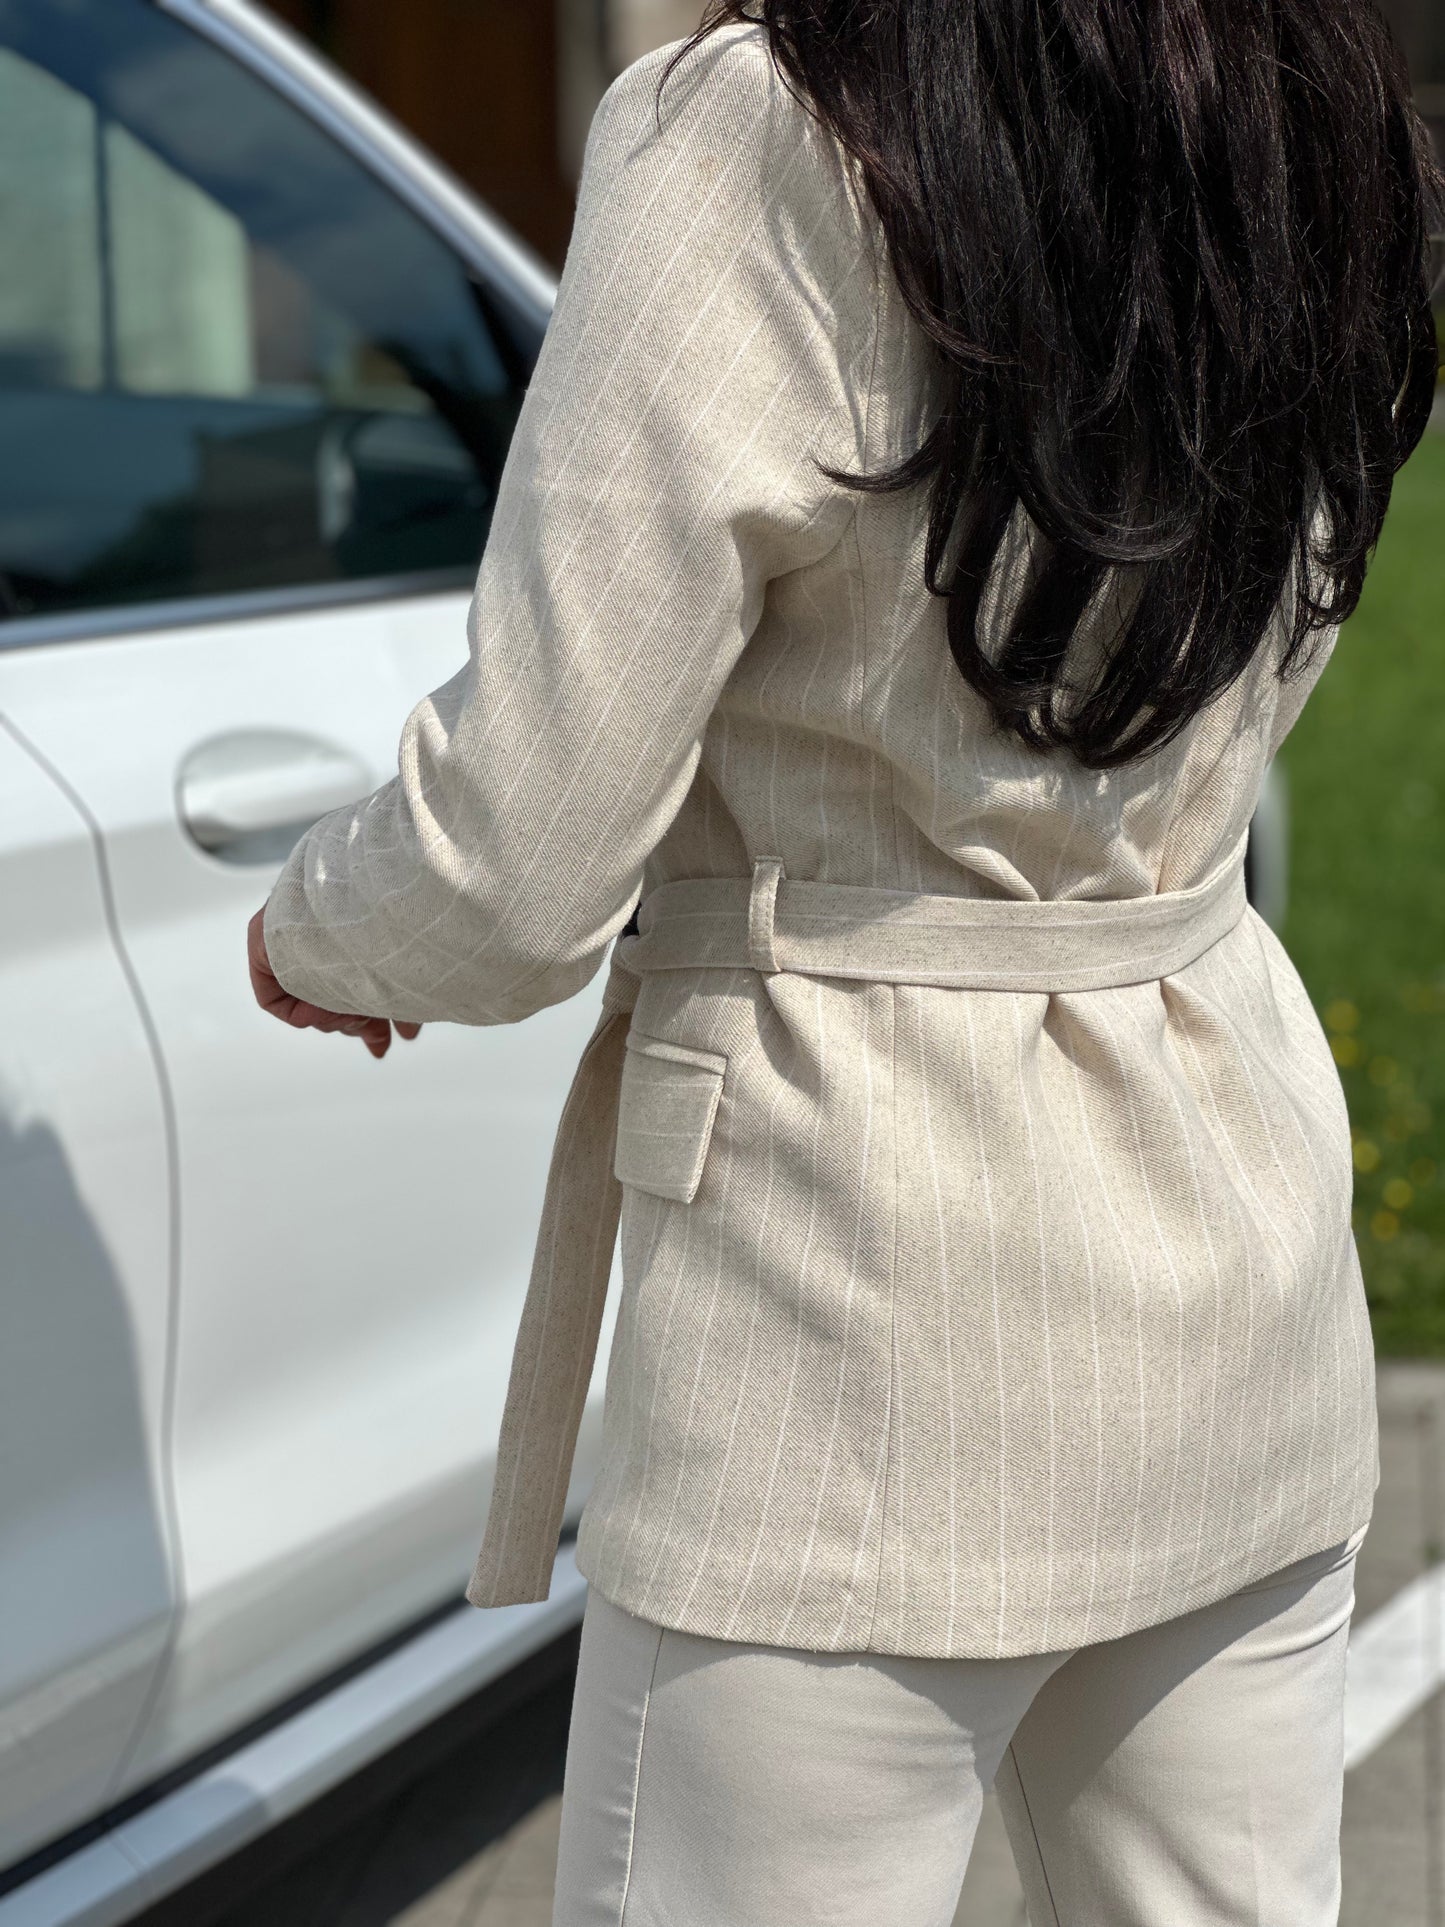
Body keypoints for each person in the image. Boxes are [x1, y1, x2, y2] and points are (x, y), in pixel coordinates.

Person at [248, 2, 1442, 1919]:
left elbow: (520, 845)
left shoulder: (763, 131)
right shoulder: (1301, 113)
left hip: (846, 1282)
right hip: (1226, 1226)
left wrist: (322, 925)